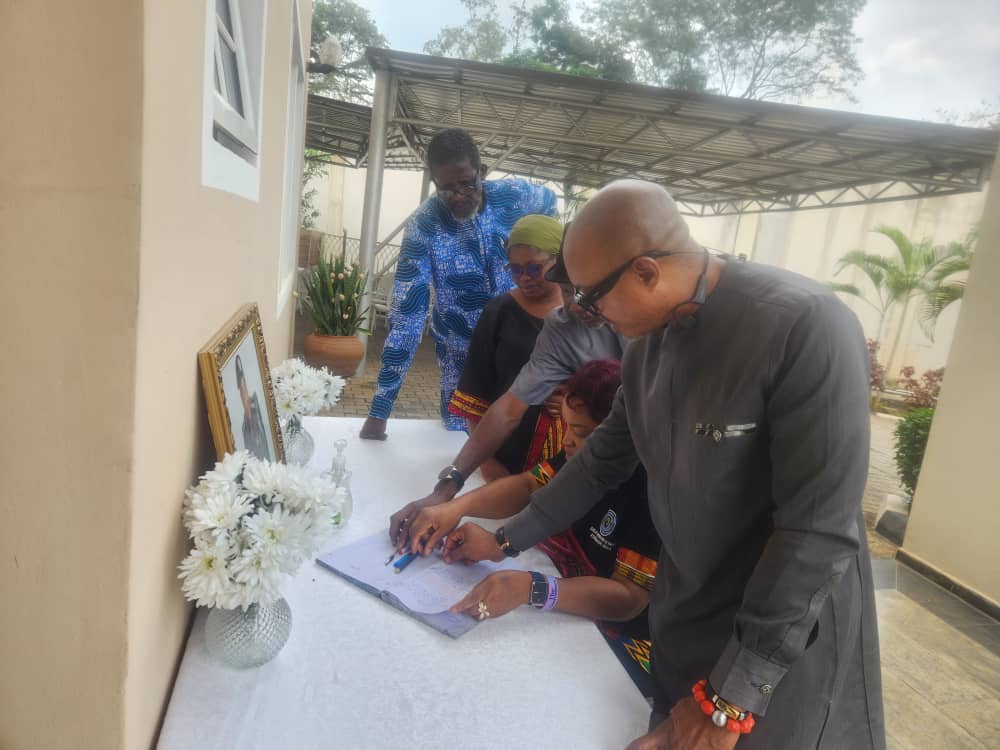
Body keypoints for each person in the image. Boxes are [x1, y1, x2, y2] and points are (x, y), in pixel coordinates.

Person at [445, 180, 886, 750]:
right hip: (686, 616)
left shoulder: (804, 326)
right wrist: (503, 541)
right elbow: (599, 462)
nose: (584, 315)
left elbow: (818, 530)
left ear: (646, 271)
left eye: (590, 299)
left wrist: (730, 700)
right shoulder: (645, 347)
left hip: (780, 646)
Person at [409, 360, 659, 699]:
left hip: (617, 642)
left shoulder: (653, 489)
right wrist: (455, 508)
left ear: (620, 434)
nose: (567, 441)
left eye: (583, 433)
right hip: (564, 601)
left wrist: (533, 589)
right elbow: (529, 485)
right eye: (567, 427)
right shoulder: (581, 457)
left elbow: (629, 600)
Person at [388, 266, 627, 546]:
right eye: (566, 290)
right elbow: (514, 424)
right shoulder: (560, 326)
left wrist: (501, 547)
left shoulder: (658, 336)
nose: (575, 304)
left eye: (587, 291)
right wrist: (450, 499)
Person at [360, 128, 557, 439]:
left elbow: (550, 204)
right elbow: (407, 317)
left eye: (467, 183)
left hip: (521, 345)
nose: (459, 196)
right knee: (458, 438)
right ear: (434, 183)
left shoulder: (515, 196)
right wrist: (379, 411)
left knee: (522, 432)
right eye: (447, 188)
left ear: (482, 171)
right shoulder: (424, 226)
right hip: (460, 356)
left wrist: (545, 263)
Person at [448, 214, 565, 480]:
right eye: (515, 269)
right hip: (506, 458)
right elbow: (475, 394)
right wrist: (487, 463)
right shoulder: (499, 312)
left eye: (534, 268)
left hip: (569, 460)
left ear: (560, 262)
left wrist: (571, 401)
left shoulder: (585, 315)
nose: (524, 278)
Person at [235, 354, 270, 460]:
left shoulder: (257, 408)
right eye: (241, 391)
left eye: (244, 389)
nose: (243, 394)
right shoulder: (245, 425)